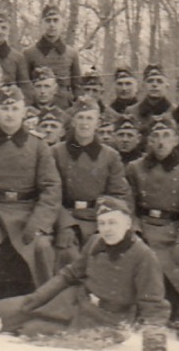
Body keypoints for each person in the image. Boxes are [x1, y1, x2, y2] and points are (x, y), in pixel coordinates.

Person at [0, 197, 172, 351]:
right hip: (78, 302)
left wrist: (154, 345)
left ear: (127, 224)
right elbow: (69, 274)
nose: (106, 229)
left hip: (109, 320)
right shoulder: (95, 242)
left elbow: (154, 304)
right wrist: (38, 297)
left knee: (32, 329)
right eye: (101, 223)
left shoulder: (143, 255)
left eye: (112, 223)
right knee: (8, 308)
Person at [124, 116, 179, 339]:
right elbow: (127, 204)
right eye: (155, 136)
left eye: (166, 136)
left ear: (175, 140)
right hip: (144, 227)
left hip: (174, 229)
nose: (161, 141)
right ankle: (140, 311)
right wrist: (133, 230)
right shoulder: (135, 168)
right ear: (148, 141)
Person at [0, 86, 62, 304]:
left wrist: (39, 222)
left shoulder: (38, 145)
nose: (9, 114)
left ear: (23, 112)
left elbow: (51, 187)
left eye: (14, 108)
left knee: (41, 247)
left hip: (27, 211)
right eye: (5, 108)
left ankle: (42, 303)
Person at [51, 97, 130, 268]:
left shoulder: (110, 156)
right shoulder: (56, 153)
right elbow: (50, 194)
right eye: (80, 117)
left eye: (89, 118)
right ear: (73, 121)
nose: (84, 123)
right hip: (67, 217)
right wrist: (64, 224)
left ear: (98, 123)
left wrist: (105, 223)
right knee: (65, 254)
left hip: (98, 219)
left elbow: (118, 195)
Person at [20, 4, 81, 99]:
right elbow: (25, 87)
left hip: (64, 107)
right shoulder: (28, 53)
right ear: (41, 23)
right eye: (48, 21)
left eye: (55, 20)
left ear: (62, 24)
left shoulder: (72, 54)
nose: (52, 24)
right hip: (38, 107)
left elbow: (77, 88)